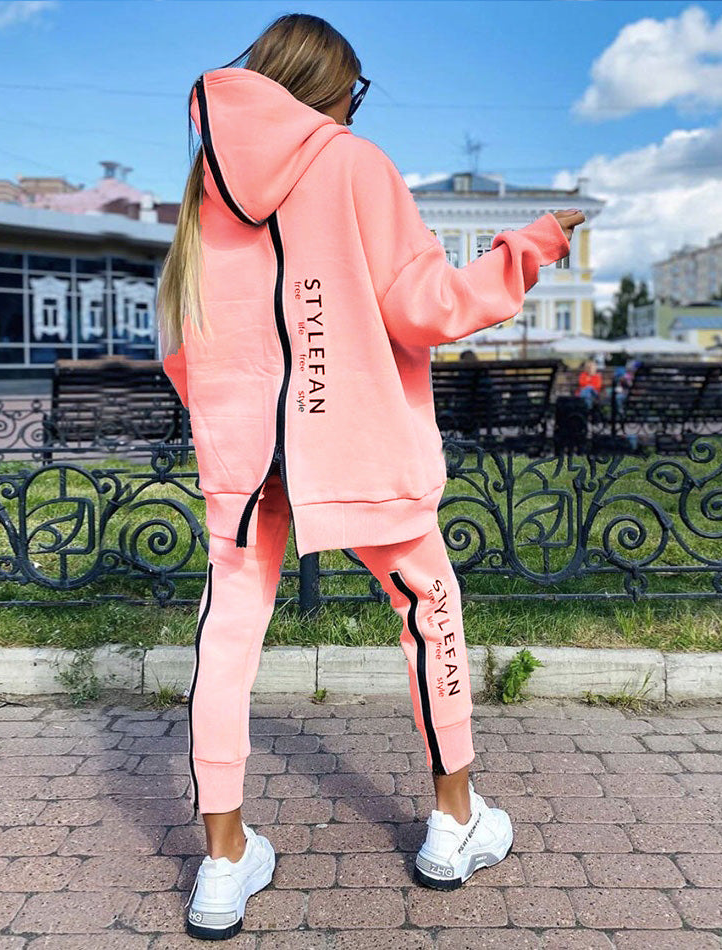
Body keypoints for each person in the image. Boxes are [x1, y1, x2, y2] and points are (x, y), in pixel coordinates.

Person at [156, 13, 583, 940]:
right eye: (355, 89)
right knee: (429, 609)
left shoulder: (208, 181)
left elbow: (186, 330)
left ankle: (223, 864)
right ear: (334, 86)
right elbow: (428, 308)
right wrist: (534, 244)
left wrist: (225, 415)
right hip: (349, 439)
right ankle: (454, 822)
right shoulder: (354, 163)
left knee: (224, 638)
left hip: (243, 449)